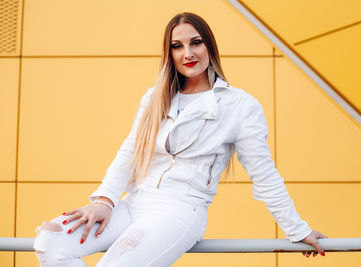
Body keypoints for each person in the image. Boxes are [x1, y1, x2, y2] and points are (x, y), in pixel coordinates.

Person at [33, 12, 327, 267]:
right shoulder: (156, 97)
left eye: (195, 42)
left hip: (179, 212)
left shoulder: (240, 105)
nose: (188, 53)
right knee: (50, 241)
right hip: (134, 204)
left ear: (209, 46)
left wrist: (297, 229)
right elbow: (129, 152)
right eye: (177, 46)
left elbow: (264, 175)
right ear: (169, 54)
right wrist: (104, 200)